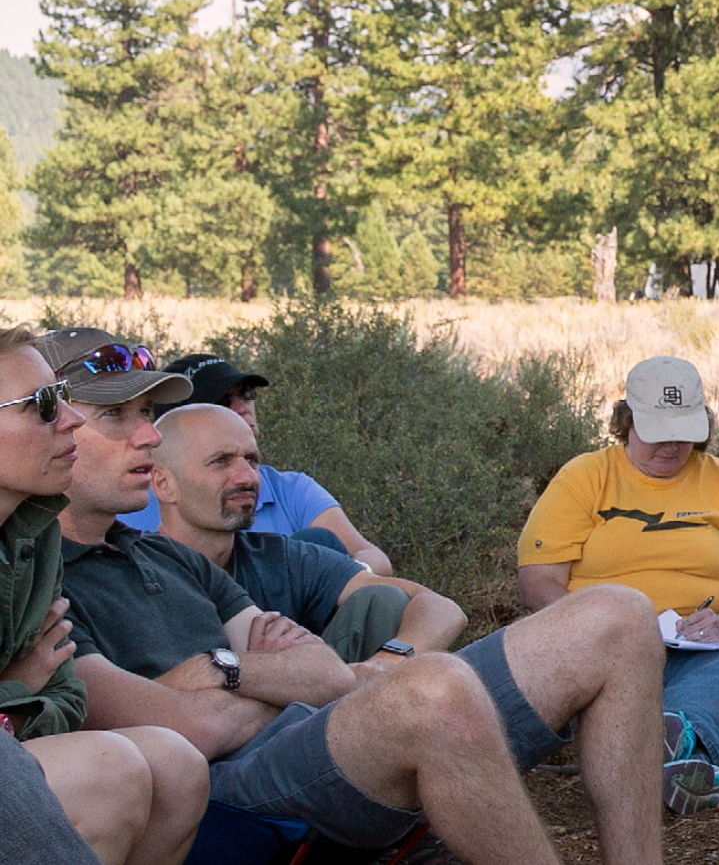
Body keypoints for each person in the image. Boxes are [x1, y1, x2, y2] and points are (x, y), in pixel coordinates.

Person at [46, 330, 664, 865]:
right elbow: (192, 732)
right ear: (57, 427)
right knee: (431, 689)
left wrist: (221, 670)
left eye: (148, 415)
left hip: (319, 731)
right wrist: (276, 682)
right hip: (239, 789)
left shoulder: (168, 555)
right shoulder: (39, 579)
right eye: (117, 417)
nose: (148, 437)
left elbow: (319, 670)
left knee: (619, 614)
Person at [519, 355, 719, 814]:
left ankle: (673, 745)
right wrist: (589, 627)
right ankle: (691, 760)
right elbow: (539, 579)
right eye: (659, 431)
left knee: (717, 666)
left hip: (699, 639)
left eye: (684, 431)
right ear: (627, 421)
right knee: (616, 679)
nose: (673, 445)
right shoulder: (584, 477)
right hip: (603, 638)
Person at [2, 326, 207, 865]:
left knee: (175, 764)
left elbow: (67, 694)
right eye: (43, 404)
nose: (68, 419)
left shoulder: (33, 532)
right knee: (108, 770)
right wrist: (18, 688)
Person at [146, 403, 466, 665]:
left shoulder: (278, 558)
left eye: (252, 460)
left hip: (311, 724)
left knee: (384, 601)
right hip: (201, 736)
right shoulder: (138, 576)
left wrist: (382, 666)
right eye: (220, 462)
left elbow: (440, 607)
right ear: (163, 484)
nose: (248, 477)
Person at [115, 352, 392, 575]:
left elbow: (372, 557)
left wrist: (335, 578)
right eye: (223, 401)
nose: (243, 407)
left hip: (297, 629)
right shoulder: (132, 502)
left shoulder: (290, 489)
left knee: (321, 544)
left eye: (247, 395)